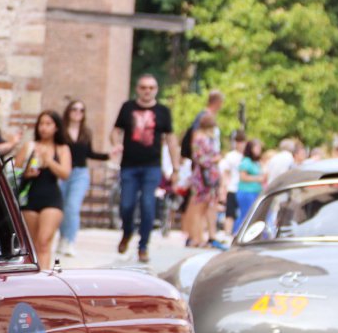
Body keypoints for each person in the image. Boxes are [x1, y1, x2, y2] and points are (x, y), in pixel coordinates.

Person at [111, 74, 178, 264]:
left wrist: (176, 167)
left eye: (151, 87)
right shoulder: (127, 108)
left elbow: (171, 140)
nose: (147, 91)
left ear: (156, 90)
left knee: (149, 205)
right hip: (129, 166)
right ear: (137, 89)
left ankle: (143, 246)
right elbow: (115, 131)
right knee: (126, 205)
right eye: (143, 87)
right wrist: (116, 144)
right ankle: (127, 232)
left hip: (152, 166)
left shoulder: (163, 111)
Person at [13, 110, 72, 269]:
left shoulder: (62, 148)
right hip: (30, 198)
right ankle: (34, 275)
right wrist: (27, 173)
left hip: (52, 199)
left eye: (48, 124)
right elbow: (14, 172)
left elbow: (66, 173)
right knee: (32, 245)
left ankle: (45, 278)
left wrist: (49, 161)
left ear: (56, 127)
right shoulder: (29, 146)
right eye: (41, 124)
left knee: (44, 241)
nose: (44, 128)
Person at [56, 99, 112, 258]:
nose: (77, 113)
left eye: (81, 110)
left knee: (73, 207)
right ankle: (62, 237)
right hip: (62, 172)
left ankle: (70, 240)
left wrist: (108, 155)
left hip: (80, 173)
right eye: (74, 109)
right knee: (61, 208)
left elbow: (89, 153)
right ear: (68, 111)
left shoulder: (86, 132)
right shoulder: (61, 131)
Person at [182, 110, 222, 248]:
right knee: (198, 208)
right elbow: (200, 158)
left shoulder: (204, 138)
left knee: (204, 208)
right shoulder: (200, 138)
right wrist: (214, 159)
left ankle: (199, 237)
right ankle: (196, 238)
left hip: (207, 177)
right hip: (203, 177)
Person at [218, 129, 247, 237]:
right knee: (229, 213)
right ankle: (227, 233)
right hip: (232, 188)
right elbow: (225, 173)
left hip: (243, 188)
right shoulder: (230, 156)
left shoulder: (246, 157)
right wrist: (223, 188)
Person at [236, 139, 266, 225]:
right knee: (246, 215)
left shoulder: (256, 162)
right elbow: (243, 177)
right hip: (247, 192)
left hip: (255, 191)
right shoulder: (246, 161)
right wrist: (257, 179)